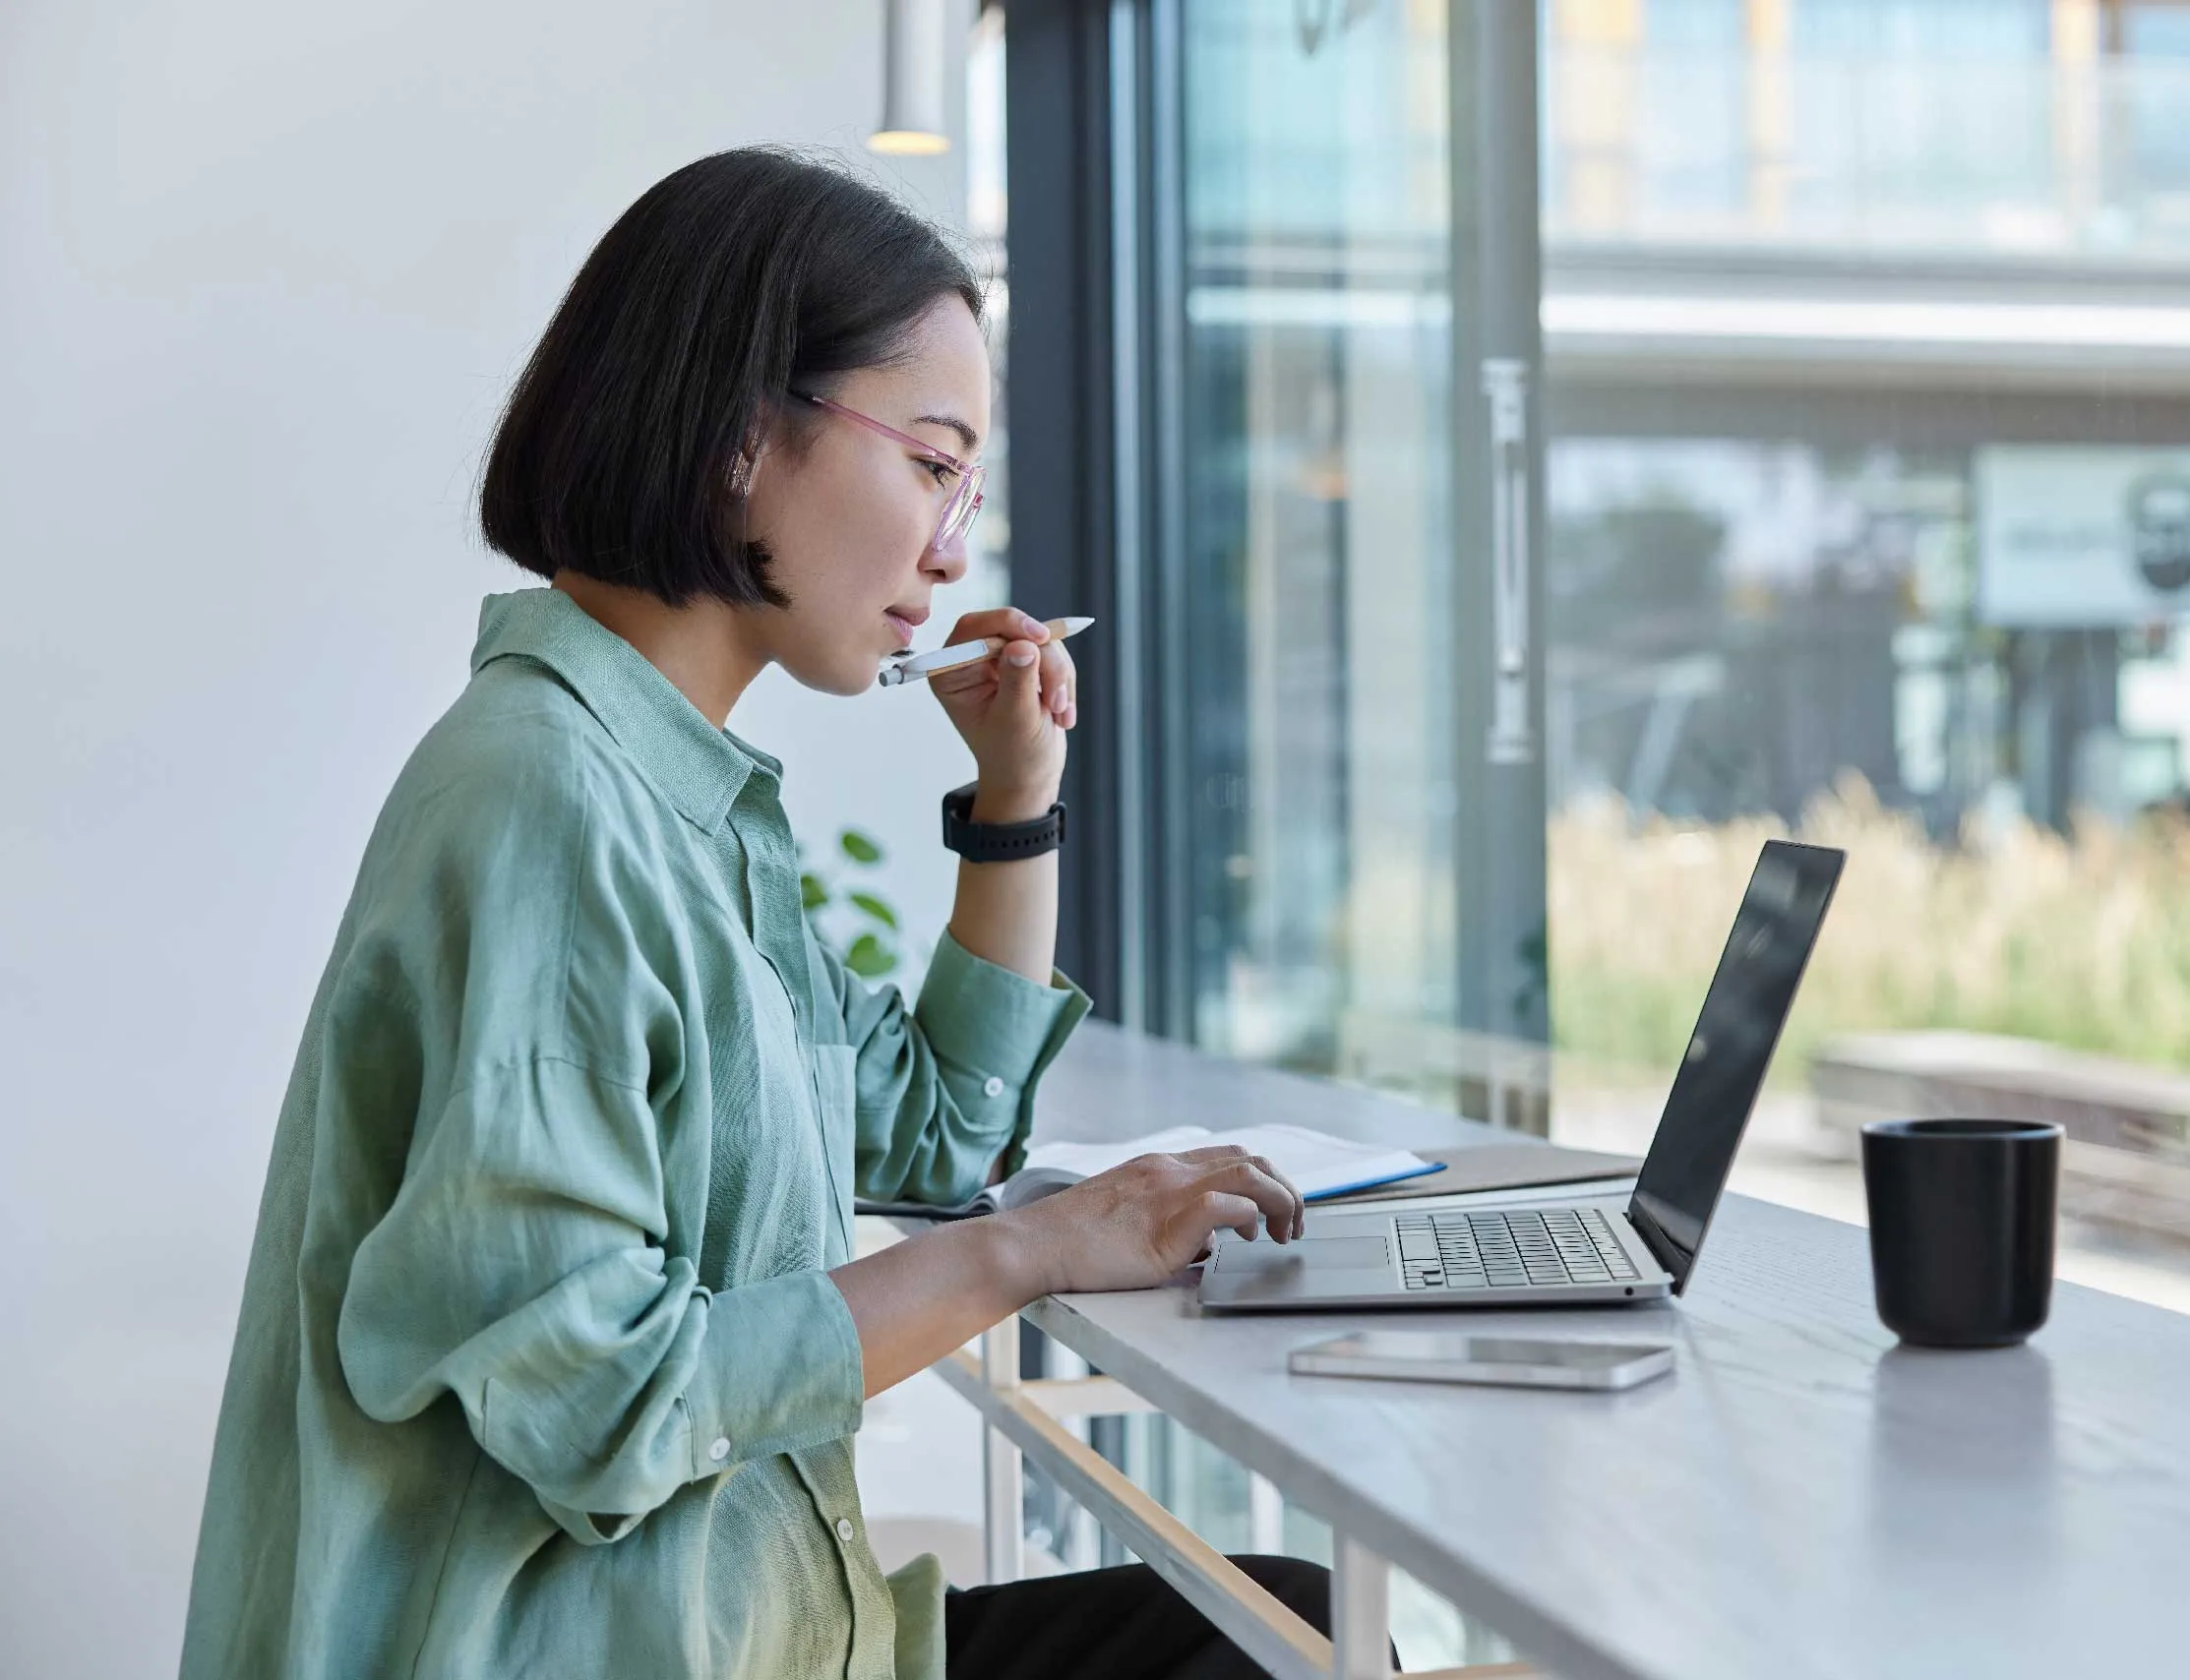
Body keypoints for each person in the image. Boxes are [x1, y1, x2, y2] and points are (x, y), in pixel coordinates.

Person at [178, 148, 1333, 1680]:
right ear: (737, 440)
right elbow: (607, 1405)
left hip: (735, 1635)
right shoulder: (546, 806)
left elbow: (940, 1133)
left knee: (1274, 1626)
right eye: (931, 465)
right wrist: (1034, 1252)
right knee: (1267, 1646)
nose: (953, 549)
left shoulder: (677, 804)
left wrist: (1016, 796)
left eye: (966, 488)